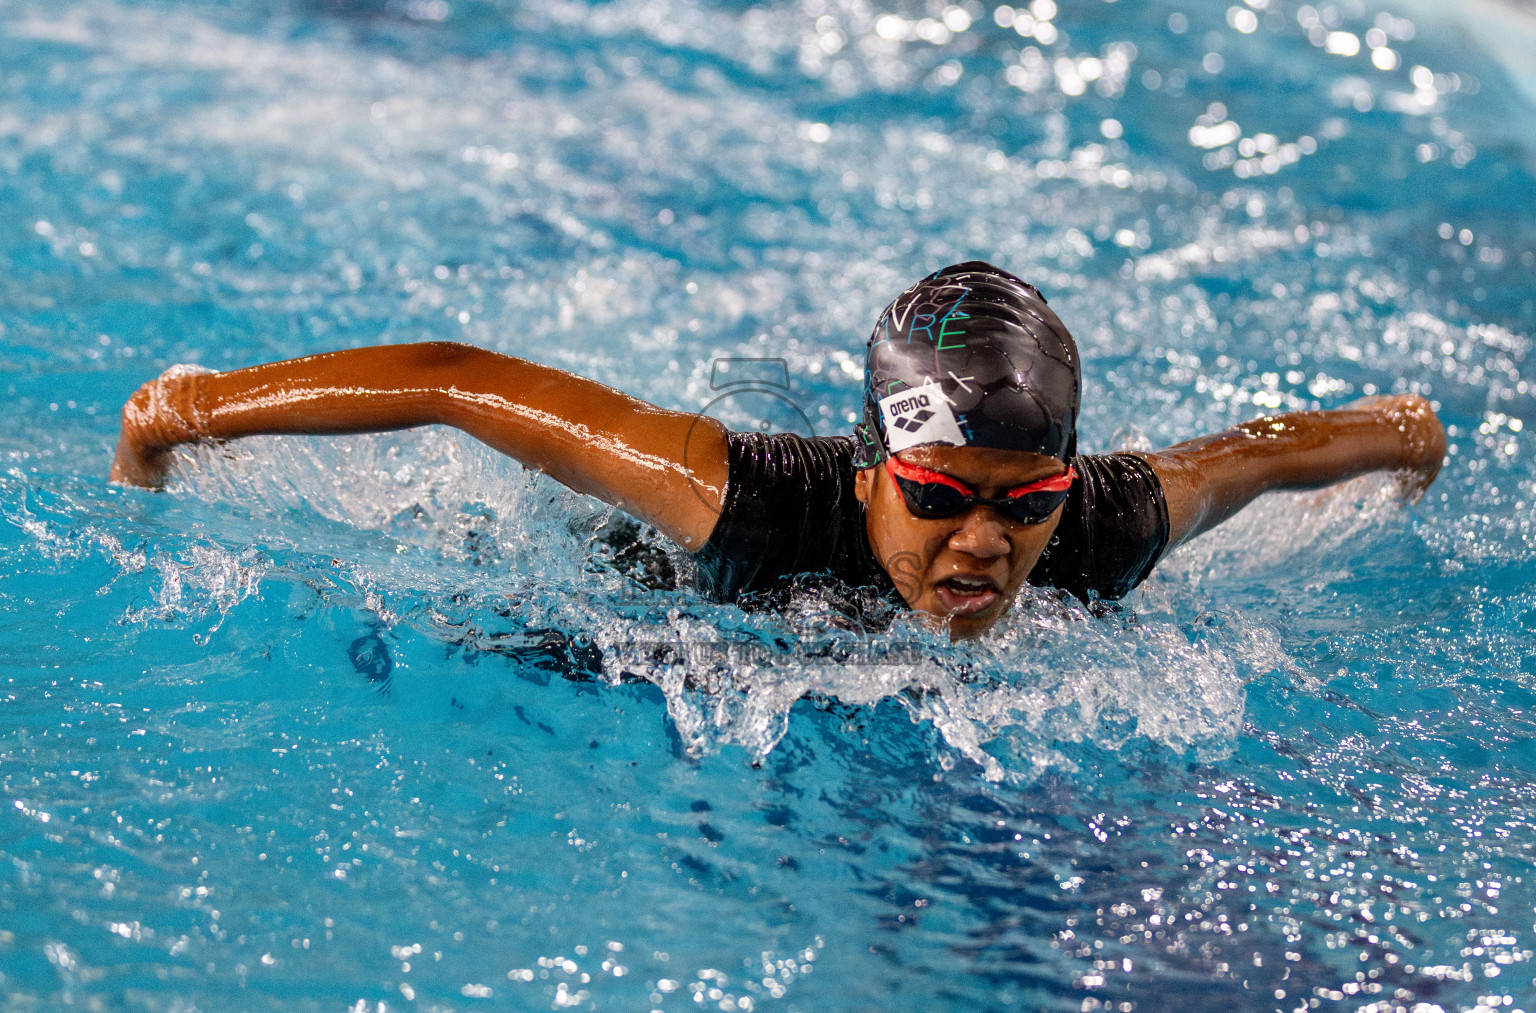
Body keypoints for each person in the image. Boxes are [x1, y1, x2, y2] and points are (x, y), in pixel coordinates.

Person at [110, 261, 1446, 639]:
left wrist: (1403, 435)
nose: (984, 544)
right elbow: (460, 385)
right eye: (938, 496)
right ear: (872, 470)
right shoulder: (730, 495)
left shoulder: (1103, 524)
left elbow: (1252, 459)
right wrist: (186, 411)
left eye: (1020, 505)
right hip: (641, 598)